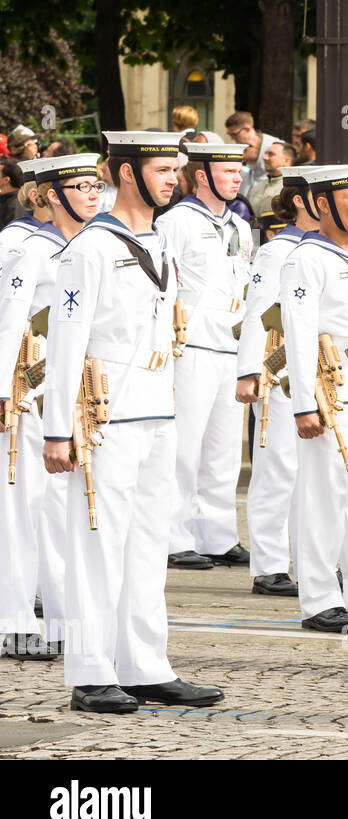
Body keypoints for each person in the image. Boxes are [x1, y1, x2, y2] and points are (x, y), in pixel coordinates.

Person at [42, 130, 224, 712]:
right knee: (98, 543)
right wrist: (56, 429)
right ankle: (91, 672)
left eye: (175, 169)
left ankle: (145, 664)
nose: (173, 178)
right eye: (162, 169)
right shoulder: (90, 248)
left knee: (147, 545)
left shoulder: (160, 242)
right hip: (104, 415)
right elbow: (66, 339)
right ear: (125, 173)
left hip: (156, 407)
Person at [0, 153, 103, 662]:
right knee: (21, 509)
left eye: (95, 185)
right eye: (80, 186)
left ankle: (67, 623)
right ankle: (13, 621)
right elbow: (9, 322)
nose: (92, 194)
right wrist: (3, 393)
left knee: (65, 514)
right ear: (49, 195)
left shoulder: (92, 248)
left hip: (71, 396)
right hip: (27, 393)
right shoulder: (27, 248)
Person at [280, 164, 348, 632]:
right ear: (322, 204)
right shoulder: (307, 258)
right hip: (329, 386)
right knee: (324, 495)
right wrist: (304, 402)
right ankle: (318, 598)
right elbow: (297, 334)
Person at [155, 142, 253, 571]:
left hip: (230, 346)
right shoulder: (175, 221)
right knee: (184, 448)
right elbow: (166, 283)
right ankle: (174, 536)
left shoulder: (241, 226)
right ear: (201, 175)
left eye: (239, 170)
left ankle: (217, 534)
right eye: (228, 170)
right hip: (190, 346)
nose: (237, 178)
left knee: (225, 449)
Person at [232, 166, 319, 599]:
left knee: (315, 475)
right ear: (303, 201)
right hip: (280, 367)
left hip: (323, 372)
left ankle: (311, 565)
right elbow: (257, 311)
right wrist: (251, 369)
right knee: (278, 467)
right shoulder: (276, 251)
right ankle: (269, 565)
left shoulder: (338, 249)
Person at [225, 111, 282, 187]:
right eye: (230, 134)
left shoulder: (276, 145)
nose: (232, 138)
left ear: (247, 129)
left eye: (234, 134)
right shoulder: (240, 145)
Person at [248, 140, 294, 218]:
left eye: (271, 154)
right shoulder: (257, 187)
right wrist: (255, 231)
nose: (264, 157)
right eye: (265, 153)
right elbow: (252, 221)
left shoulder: (292, 189)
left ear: (287, 161)